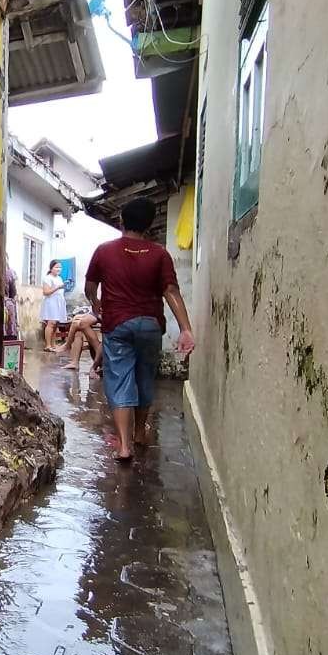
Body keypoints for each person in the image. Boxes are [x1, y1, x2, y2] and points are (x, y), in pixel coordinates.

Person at [85, 198, 195, 462]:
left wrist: (97, 305)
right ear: (148, 225)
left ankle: (123, 446)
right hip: (150, 325)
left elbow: (90, 287)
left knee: (119, 378)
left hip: (118, 324)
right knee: (145, 377)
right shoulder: (160, 254)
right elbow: (170, 291)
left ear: (122, 220)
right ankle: (140, 433)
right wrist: (186, 328)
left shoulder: (104, 251)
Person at [40, 260, 68, 351]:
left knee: (56, 324)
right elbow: (46, 292)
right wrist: (58, 287)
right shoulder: (47, 278)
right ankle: (47, 345)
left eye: (60, 267)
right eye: (56, 267)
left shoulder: (59, 278)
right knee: (51, 323)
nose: (58, 269)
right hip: (51, 302)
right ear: (51, 268)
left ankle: (53, 344)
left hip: (59, 302)